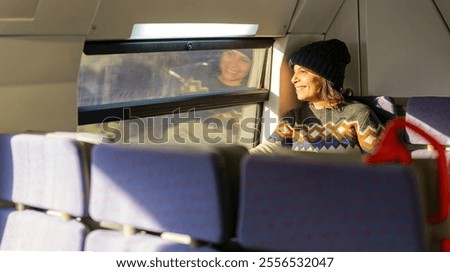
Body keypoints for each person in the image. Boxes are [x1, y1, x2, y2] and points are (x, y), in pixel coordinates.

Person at [251, 39, 384, 154]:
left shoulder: (359, 115)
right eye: (294, 72)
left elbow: (384, 164)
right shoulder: (294, 118)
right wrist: (235, 158)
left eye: (302, 71)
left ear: (325, 78)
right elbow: (269, 150)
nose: (293, 79)